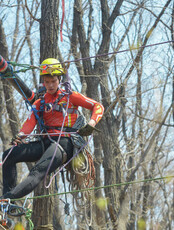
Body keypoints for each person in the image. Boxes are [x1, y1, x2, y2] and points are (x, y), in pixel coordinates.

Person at [1, 58, 104, 199]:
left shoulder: (70, 96)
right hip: (45, 142)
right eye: (46, 81)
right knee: (8, 155)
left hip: (64, 143)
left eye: (53, 81)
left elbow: (98, 106)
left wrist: (91, 124)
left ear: (59, 79)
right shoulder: (40, 102)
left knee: (37, 171)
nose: (50, 85)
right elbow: (29, 123)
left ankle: (9, 198)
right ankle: (6, 199)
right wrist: (20, 136)